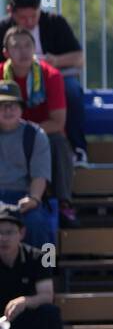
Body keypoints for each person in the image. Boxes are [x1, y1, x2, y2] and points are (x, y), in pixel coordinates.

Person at [0, 0, 87, 167]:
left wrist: (55, 61)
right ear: (11, 12)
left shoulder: (55, 23)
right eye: (23, 18)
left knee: (71, 90)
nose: (30, 22)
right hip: (12, 80)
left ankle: (77, 147)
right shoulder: (3, 28)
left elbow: (79, 58)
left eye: (34, 16)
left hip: (52, 78)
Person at [3, 27, 75, 227]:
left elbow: (58, 122)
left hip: (39, 135)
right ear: (6, 52)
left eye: (28, 46)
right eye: (16, 47)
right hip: (4, 133)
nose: (24, 51)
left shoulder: (51, 76)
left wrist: (26, 132)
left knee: (59, 142)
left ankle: (63, 202)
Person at [0, 203, 62, 329]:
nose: (3, 238)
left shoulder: (40, 257)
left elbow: (47, 295)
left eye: (9, 232)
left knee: (50, 313)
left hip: (25, 325)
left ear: (22, 233)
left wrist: (24, 301)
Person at [0, 81, 55, 249]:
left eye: (13, 105)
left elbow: (40, 175)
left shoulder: (35, 135)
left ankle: (46, 270)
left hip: (24, 197)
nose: (8, 110)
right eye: (2, 105)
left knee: (39, 225)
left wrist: (33, 199)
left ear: (21, 109)